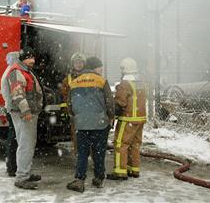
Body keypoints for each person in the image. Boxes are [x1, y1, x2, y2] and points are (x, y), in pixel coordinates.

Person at [66, 56, 115, 193]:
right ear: (94, 68)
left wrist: (76, 116)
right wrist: (111, 116)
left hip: (81, 124)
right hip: (100, 123)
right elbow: (109, 102)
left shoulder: (74, 82)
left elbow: (69, 104)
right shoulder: (101, 81)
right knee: (99, 152)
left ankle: (79, 180)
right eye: (99, 67)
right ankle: (99, 178)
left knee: (82, 153)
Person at [6, 47, 43, 190]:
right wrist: (26, 110)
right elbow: (17, 94)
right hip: (24, 114)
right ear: (23, 59)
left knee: (27, 144)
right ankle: (22, 177)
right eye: (29, 58)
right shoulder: (16, 72)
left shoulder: (25, 71)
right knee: (25, 145)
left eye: (33, 58)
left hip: (28, 113)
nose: (33, 60)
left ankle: (25, 173)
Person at [107, 58, 147, 180]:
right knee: (135, 144)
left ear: (124, 69)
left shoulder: (124, 84)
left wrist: (112, 112)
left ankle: (120, 171)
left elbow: (121, 103)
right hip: (140, 119)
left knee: (121, 144)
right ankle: (134, 169)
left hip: (127, 119)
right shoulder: (141, 82)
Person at [61, 53, 87, 155]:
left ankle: (87, 153)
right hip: (75, 112)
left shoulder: (89, 77)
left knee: (88, 134)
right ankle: (78, 153)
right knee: (76, 134)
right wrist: (67, 110)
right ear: (72, 64)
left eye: (80, 62)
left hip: (88, 111)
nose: (79, 65)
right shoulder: (68, 79)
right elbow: (64, 95)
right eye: (76, 62)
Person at [0, 51, 19, 177]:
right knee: (14, 138)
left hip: (9, 108)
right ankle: (12, 166)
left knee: (13, 137)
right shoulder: (11, 73)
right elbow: (15, 94)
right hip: (13, 109)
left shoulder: (8, 71)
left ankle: (11, 165)